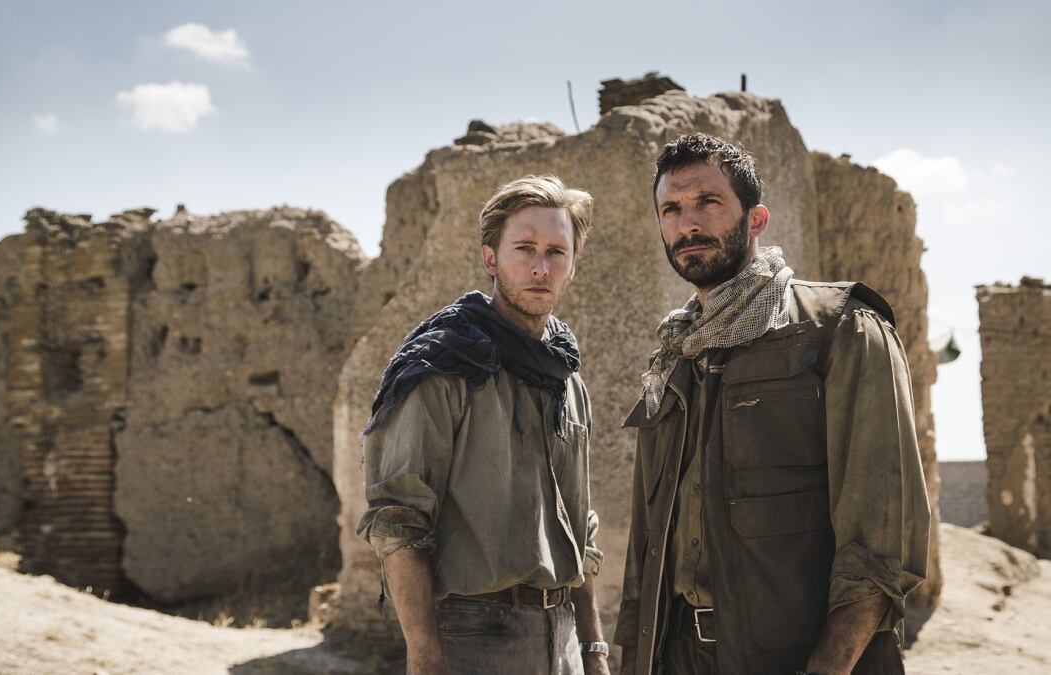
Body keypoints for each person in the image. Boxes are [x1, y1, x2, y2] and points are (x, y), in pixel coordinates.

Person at [615, 133, 931, 675]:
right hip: (676, 656)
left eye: (708, 203)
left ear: (756, 219)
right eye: (671, 209)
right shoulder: (675, 352)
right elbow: (649, 539)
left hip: (797, 658)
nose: (688, 223)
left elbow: (881, 541)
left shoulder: (840, 328)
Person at [357, 175, 610, 675]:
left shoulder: (564, 374)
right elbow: (399, 521)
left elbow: (580, 528)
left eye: (557, 251)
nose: (541, 266)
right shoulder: (446, 364)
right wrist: (425, 657)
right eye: (525, 248)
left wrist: (592, 648)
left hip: (561, 638)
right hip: (473, 636)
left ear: (572, 265)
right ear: (491, 259)